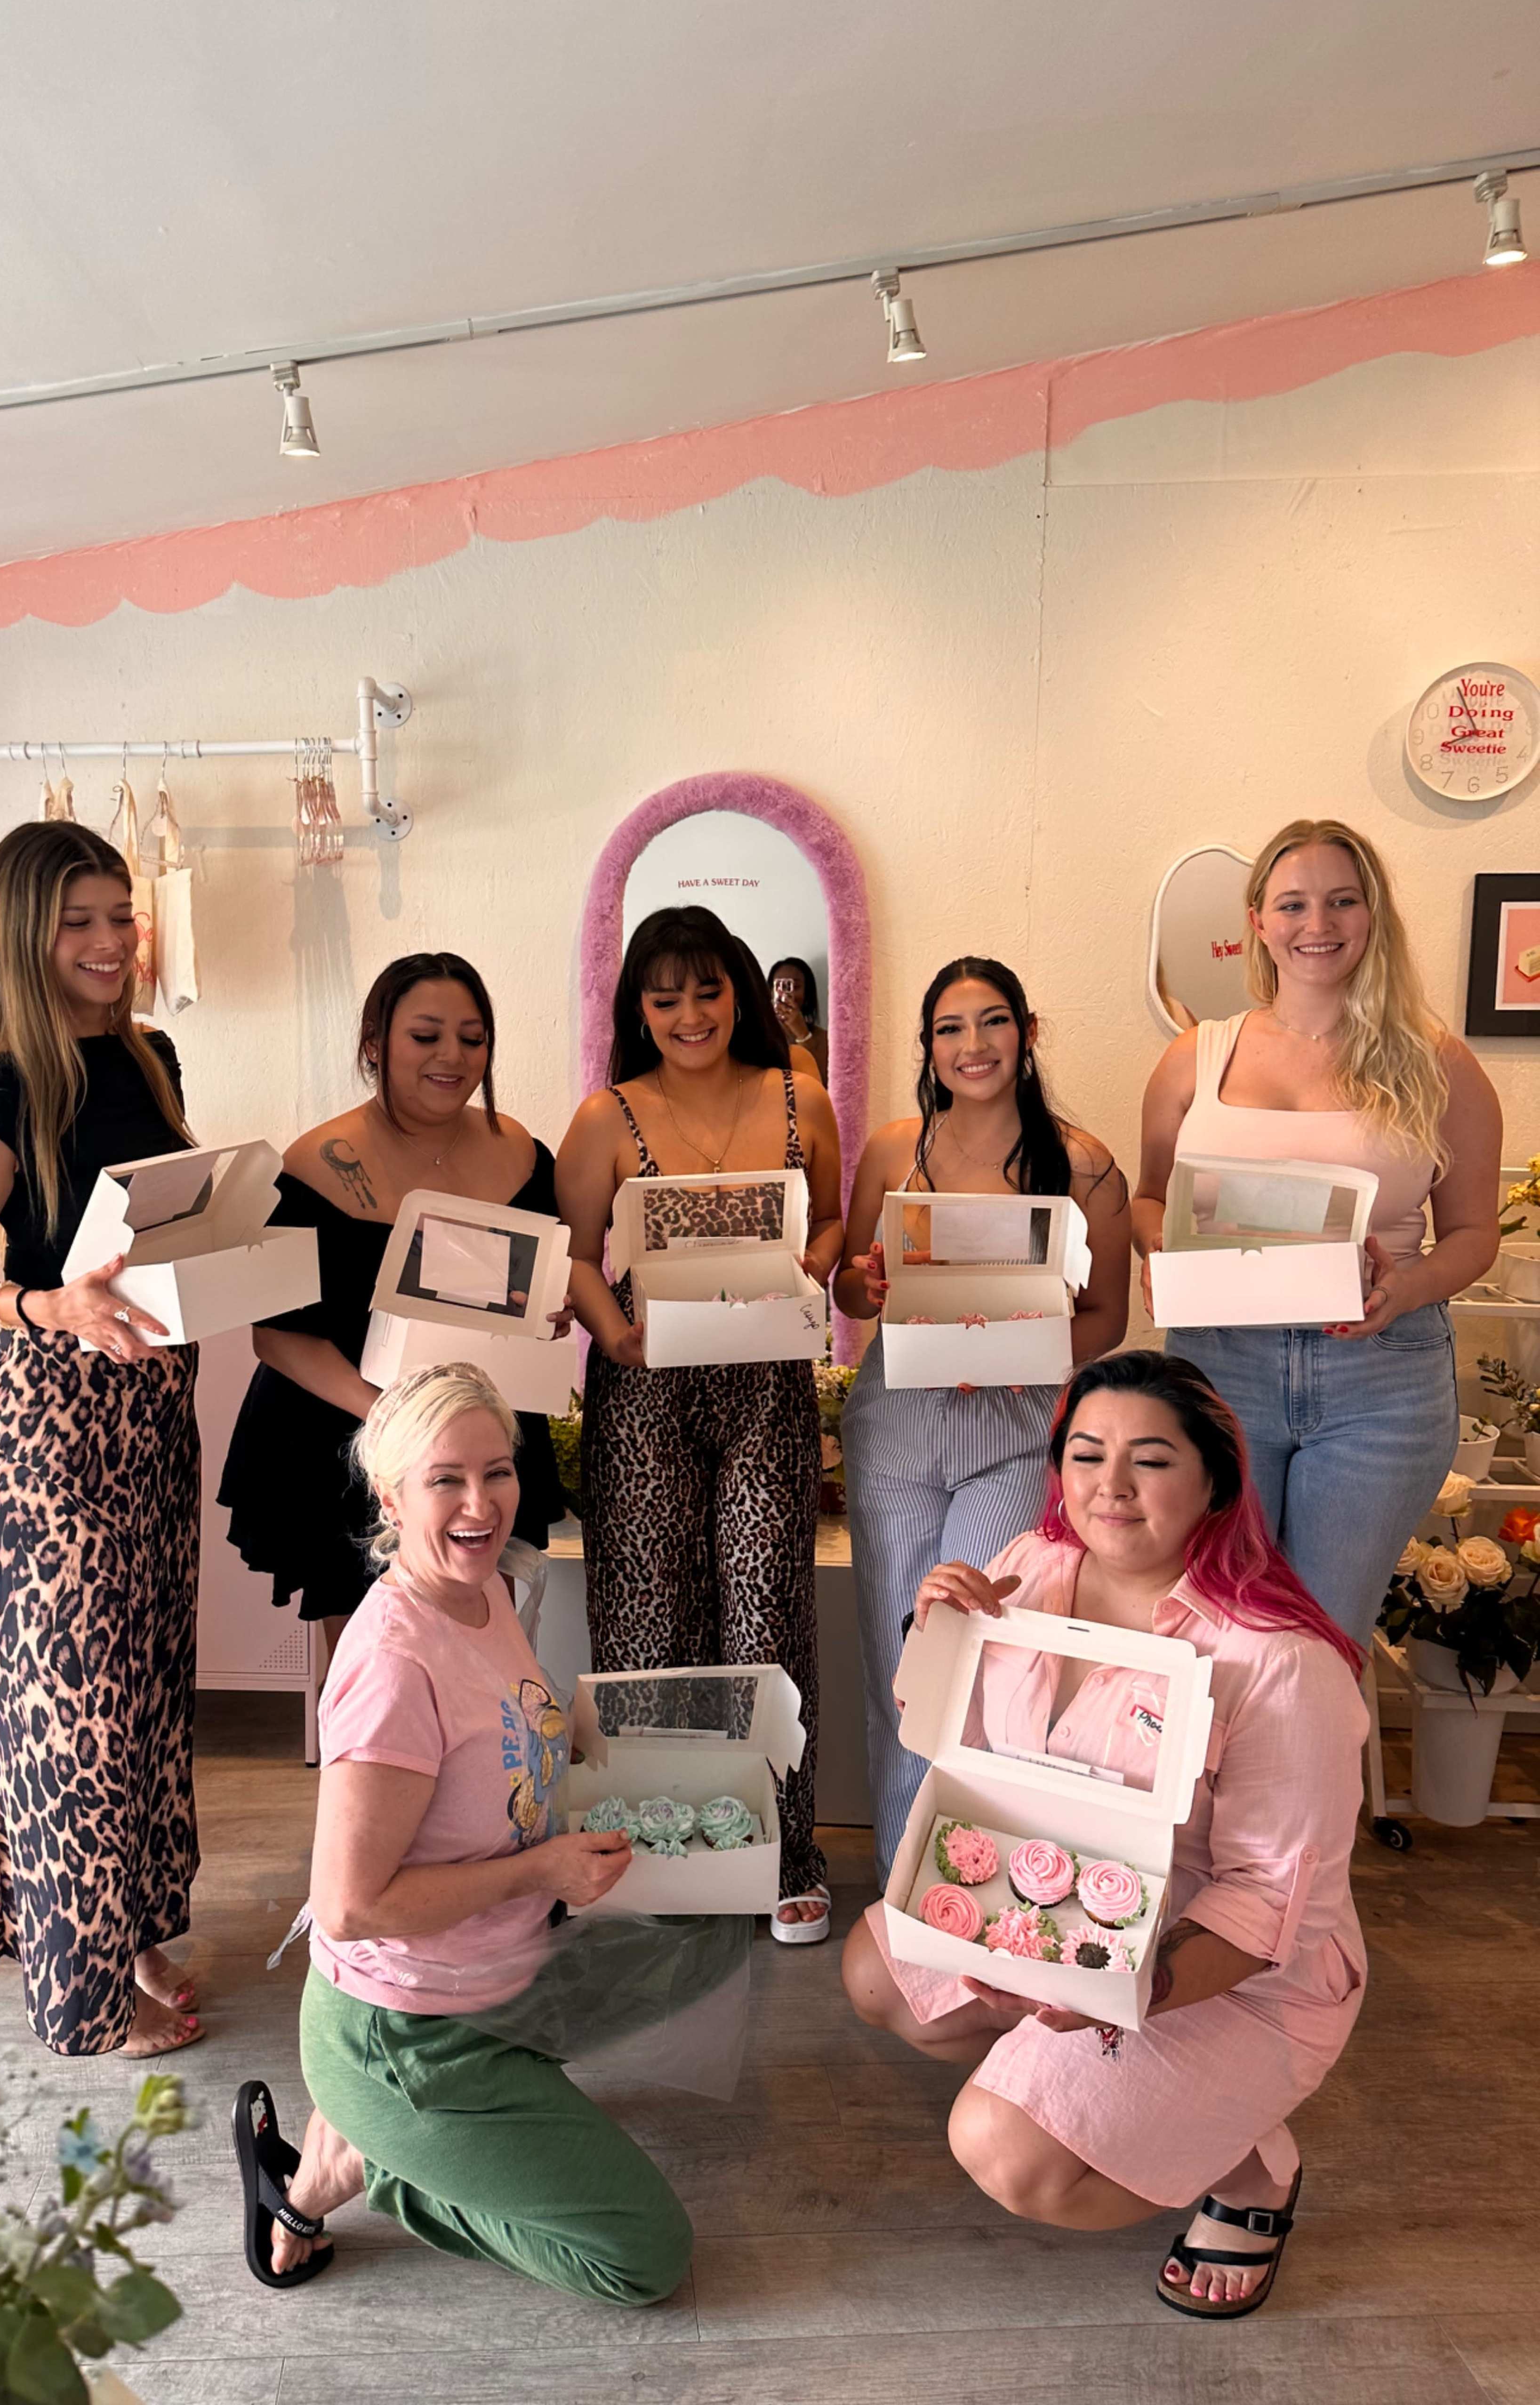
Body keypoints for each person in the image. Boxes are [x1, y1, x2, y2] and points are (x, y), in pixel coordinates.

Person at [843, 1349, 1369, 2320]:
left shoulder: (1282, 1663)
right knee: (883, 1975)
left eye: (1151, 1460)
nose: (1109, 1486)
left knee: (1004, 2149)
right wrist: (937, 1629)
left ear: (1217, 1479)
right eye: (1085, 1455)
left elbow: (1265, 1906)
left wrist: (1125, 1990)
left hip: (1233, 1963)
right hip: (1076, 1894)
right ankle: (1129, 2093)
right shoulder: (1030, 1566)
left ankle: (1253, 2171)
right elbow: (946, 1732)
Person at [231, 1363, 694, 2305]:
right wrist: (541, 1870)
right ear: (391, 1495)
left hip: (497, 1983)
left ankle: (391, 2135)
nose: (482, 1504)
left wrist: (579, 1733)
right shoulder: (396, 1660)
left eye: (500, 1470)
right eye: (447, 1479)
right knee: (646, 2257)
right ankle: (374, 2165)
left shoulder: (480, 1593)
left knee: (706, 1936)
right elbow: (351, 1906)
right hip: (409, 2032)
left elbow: (489, 1744)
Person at [0, 821, 203, 2059]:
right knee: (72, 1714)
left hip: (151, 1417)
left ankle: (122, 1933)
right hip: (46, 1436)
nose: (105, 942)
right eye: (76, 920)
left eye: (118, 915)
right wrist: (42, 1305)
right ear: (23, 932)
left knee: (137, 1699)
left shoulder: (149, 1054)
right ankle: (82, 2001)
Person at [1133, 818, 1501, 1646]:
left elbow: (1475, 1234)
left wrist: (1405, 1286)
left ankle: (1315, 1781)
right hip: (1222, 1368)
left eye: (1343, 901)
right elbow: (1150, 1200)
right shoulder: (1197, 1056)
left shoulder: (1440, 1064)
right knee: (1217, 1630)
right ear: (1258, 920)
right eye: (1293, 904)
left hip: (1382, 1378)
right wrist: (1159, 1253)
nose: (1319, 925)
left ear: (1374, 916)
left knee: (1320, 1637)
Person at [555, 906, 844, 1939]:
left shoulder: (797, 1098)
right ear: (639, 1007)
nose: (690, 1014)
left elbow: (835, 1217)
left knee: (771, 1611)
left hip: (764, 1377)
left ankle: (784, 1853)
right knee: (646, 1620)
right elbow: (578, 1253)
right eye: (665, 996)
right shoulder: (606, 1117)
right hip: (646, 1385)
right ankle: (658, 1850)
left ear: (742, 992)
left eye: (708, 990)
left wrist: (815, 1265)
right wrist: (616, 1337)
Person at [833, 956, 1131, 1883]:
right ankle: (902, 1882)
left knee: (980, 1656)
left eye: (993, 1022)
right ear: (928, 1046)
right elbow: (850, 1280)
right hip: (899, 1430)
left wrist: (1005, 1348)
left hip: (1014, 1432)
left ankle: (970, 1873)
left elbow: (1109, 1319)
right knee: (901, 1662)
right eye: (950, 1029)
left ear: (1028, 1031)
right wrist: (863, 1281)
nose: (973, 1045)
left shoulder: (1084, 1163)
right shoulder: (895, 1149)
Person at [218, 953, 566, 1627]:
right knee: (374, 1665)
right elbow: (278, 1334)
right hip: (350, 1438)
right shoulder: (315, 1165)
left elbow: (543, 1285)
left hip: (482, 1437)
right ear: (375, 1044)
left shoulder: (522, 1151)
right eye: (426, 1036)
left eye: (473, 1038)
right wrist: (394, 1424)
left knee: (484, 1645)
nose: (453, 1057)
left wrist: (557, 1311)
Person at [768, 955, 830, 1083]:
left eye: (794, 987)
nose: (785, 994)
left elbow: (824, 1085)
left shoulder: (824, 1039)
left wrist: (803, 1035)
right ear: (770, 992)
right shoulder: (760, 1034)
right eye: (779, 986)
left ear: (807, 993)